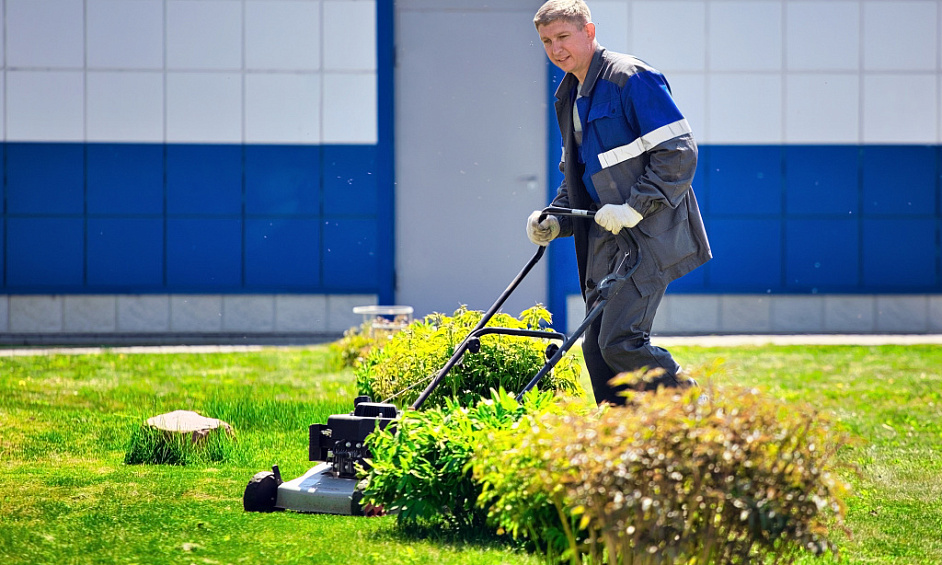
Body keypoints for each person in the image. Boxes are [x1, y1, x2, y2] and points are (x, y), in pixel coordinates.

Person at [526, 0, 711, 405]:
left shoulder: (630, 77)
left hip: (649, 233)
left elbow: (679, 152)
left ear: (588, 33)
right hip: (607, 242)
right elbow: (578, 175)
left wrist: (634, 207)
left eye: (563, 37)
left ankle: (698, 409)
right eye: (546, 41)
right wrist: (555, 220)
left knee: (620, 342)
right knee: (596, 348)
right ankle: (619, 442)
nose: (555, 49)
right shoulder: (569, 94)